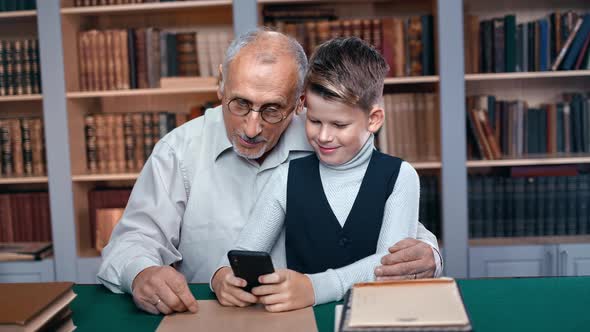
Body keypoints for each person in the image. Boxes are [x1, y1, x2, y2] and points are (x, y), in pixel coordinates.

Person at [97, 29, 442, 316]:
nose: (251, 127)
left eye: (272, 109)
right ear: (220, 86)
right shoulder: (177, 151)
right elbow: (132, 241)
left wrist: (428, 253)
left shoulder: (328, 137)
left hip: (315, 315)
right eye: (240, 103)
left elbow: (385, 214)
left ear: (298, 103)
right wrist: (141, 272)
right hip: (217, 319)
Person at [212, 36, 425, 312]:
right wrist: (224, 277)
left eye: (339, 124)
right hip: (301, 323)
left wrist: (315, 287)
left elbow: (390, 267)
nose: (324, 136)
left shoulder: (401, 176)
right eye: (314, 121)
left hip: (379, 318)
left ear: (373, 119)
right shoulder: (285, 177)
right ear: (303, 106)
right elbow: (244, 252)